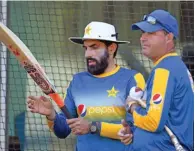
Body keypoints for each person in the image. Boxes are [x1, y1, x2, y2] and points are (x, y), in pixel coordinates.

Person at [27, 21, 145, 151]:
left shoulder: (132, 79)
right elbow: (63, 130)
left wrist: (93, 127)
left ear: (111, 48)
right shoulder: (77, 81)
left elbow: (137, 130)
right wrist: (51, 115)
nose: (88, 54)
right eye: (86, 48)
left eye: (94, 47)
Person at [118, 9, 194, 151]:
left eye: (151, 33)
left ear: (169, 37)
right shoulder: (173, 66)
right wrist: (134, 130)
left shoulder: (164, 70)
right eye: (142, 33)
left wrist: (132, 107)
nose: (143, 38)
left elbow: (153, 122)